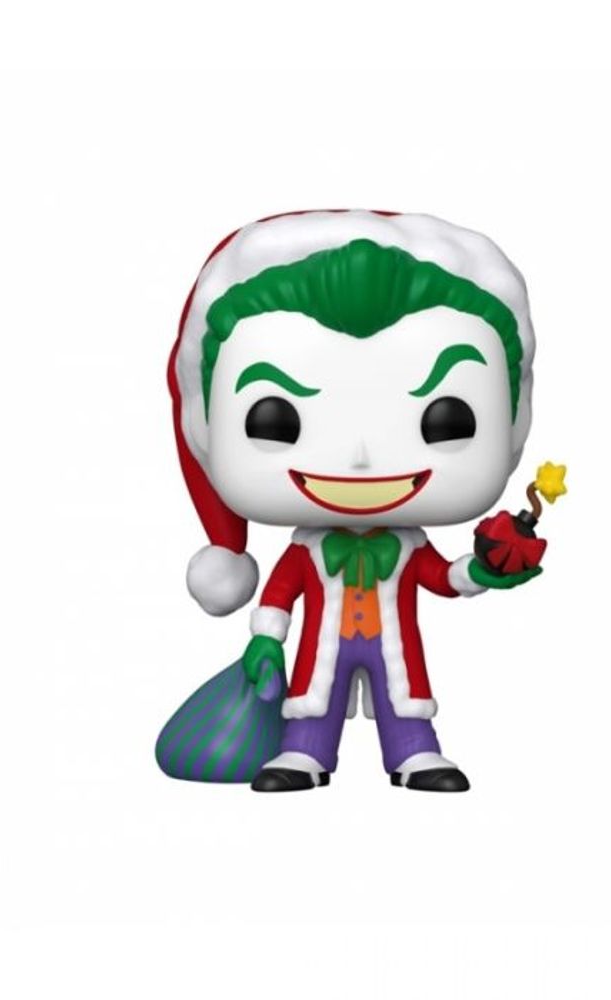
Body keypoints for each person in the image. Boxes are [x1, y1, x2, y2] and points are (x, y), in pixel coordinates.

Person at [168, 209, 545, 792]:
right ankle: (304, 753)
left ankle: (415, 754)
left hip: (394, 650)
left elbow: (441, 578)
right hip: (321, 655)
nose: (362, 457)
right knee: (312, 698)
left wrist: (483, 570)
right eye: (277, 420)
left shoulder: (407, 546)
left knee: (405, 697)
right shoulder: (306, 553)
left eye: (447, 420)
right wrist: (266, 639)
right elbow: (281, 594)